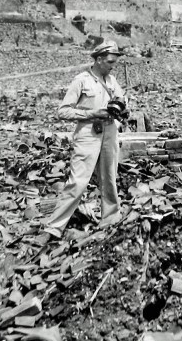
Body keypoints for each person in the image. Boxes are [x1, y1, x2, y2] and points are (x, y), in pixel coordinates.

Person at [42, 41, 126, 239]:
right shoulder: (81, 80)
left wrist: (122, 108)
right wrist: (92, 113)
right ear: (98, 59)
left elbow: (122, 102)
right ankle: (54, 227)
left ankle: (110, 219)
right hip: (89, 133)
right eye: (109, 61)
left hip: (110, 131)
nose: (113, 65)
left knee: (109, 179)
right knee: (78, 181)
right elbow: (63, 111)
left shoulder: (112, 81)